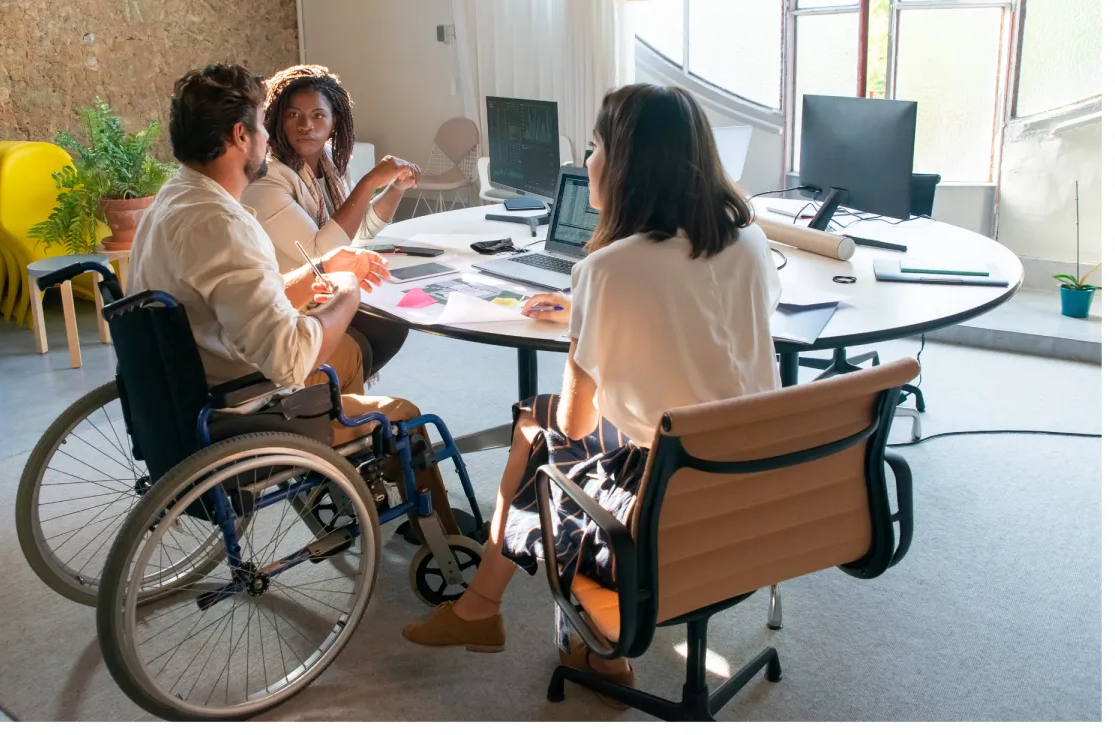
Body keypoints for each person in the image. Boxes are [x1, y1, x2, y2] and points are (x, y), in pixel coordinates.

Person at [401, 84, 783, 704]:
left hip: (661, 488)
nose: (587, 162)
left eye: (596, 146)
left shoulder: (607, 270)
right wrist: (592, 318)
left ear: (628, 164)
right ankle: (504, 616)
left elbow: (578, 421)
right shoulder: (750, 241)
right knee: (544, 424)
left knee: (538, 426)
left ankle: (490, 610)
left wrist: (589, 320)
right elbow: (714, 332)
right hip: (751, 471)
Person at [128, 62, 458, 535]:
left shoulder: (173, 200)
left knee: (359, 341)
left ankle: (353, 480)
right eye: (266, 124)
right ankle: (443, 542)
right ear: (242, 136)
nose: (270, 137)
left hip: (184, 389)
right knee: (403, 411)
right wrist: (345, 290)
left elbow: (234, 298)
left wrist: (320, 271)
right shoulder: (226, 224)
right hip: (244, 408)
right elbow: (289, 358)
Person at [242, 64, 419, 382]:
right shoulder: (267, 178)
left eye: (318, 116)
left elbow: (357, 231)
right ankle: (323, 395)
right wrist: (369, 183)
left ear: (335, 122)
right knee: (378, 322)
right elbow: (323, 250)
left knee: (392, 314)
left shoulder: (328, 166)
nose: (306, 126)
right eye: (294, 115)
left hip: (323, 291)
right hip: (290, 306)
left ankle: (335, 396)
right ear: (277, 118)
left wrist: (395, 188)